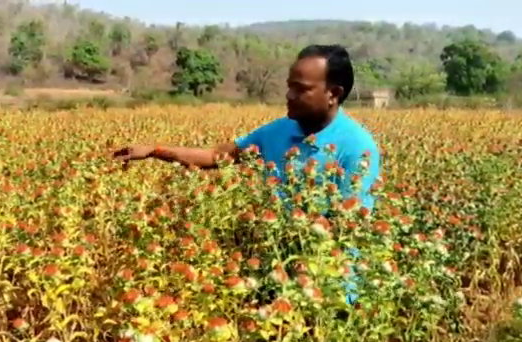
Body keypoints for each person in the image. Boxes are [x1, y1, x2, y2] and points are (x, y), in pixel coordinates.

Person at [113, 44, 381, 304]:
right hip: (272, 273)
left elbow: (350, 227)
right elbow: (216, 157)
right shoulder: (278, 131)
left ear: (333, 93)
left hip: (328, 287)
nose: (288, 95)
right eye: (289, 86)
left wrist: (305, 273)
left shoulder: (357, 148)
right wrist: (155, 150)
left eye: (301, 89)